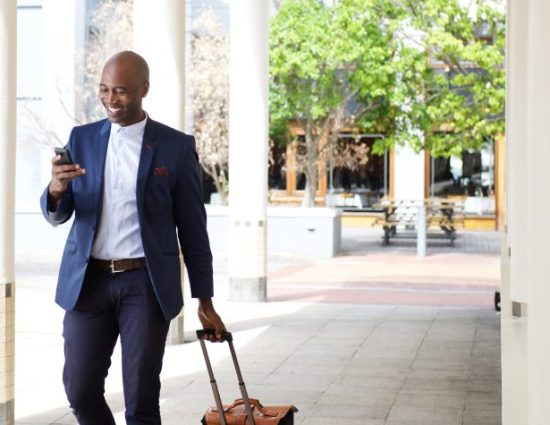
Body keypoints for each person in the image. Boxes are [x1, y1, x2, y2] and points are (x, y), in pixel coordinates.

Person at [40, 51, 226, 425]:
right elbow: (59, 213)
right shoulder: (82, 138)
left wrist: (204, 300)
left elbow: (193, 229)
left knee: (141, 399)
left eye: (121, 91)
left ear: (144, 89)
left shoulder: (175, 147)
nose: (111, 99)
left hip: (145, 283)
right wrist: (56, 190)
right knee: (79, 390)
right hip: (88, 282)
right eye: (104, 90)